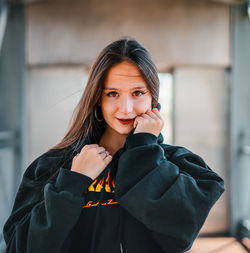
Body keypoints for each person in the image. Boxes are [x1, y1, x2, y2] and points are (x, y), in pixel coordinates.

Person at [3, 38, 225, 253]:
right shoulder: (52, 166)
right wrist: (72, 183)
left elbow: (178, 238)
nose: (126, 108)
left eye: (137, 93)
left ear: (153, 99)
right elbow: (20, 247)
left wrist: (143, 151)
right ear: (98, 99)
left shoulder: (184, 166)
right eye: (112, 94)